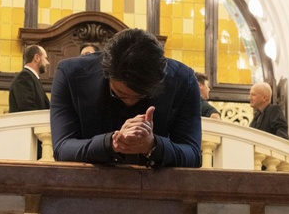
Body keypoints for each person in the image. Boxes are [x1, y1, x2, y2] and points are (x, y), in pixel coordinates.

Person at [50, 28, 202, 168]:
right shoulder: (70, 74)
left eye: (140, 96)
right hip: (86, 183)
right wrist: (110, 143)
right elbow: (62, 148)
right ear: (106, 74)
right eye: (120, 93)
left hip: (158, 184)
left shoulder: (183, 80)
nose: (130, 102)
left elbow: (193, 155)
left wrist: (153, 145)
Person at [8, 45, 50, 112]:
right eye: (45, 58)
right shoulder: (24, 77)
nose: (47, 62)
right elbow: (28, 109)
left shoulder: (31, 77)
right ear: (37, 58)